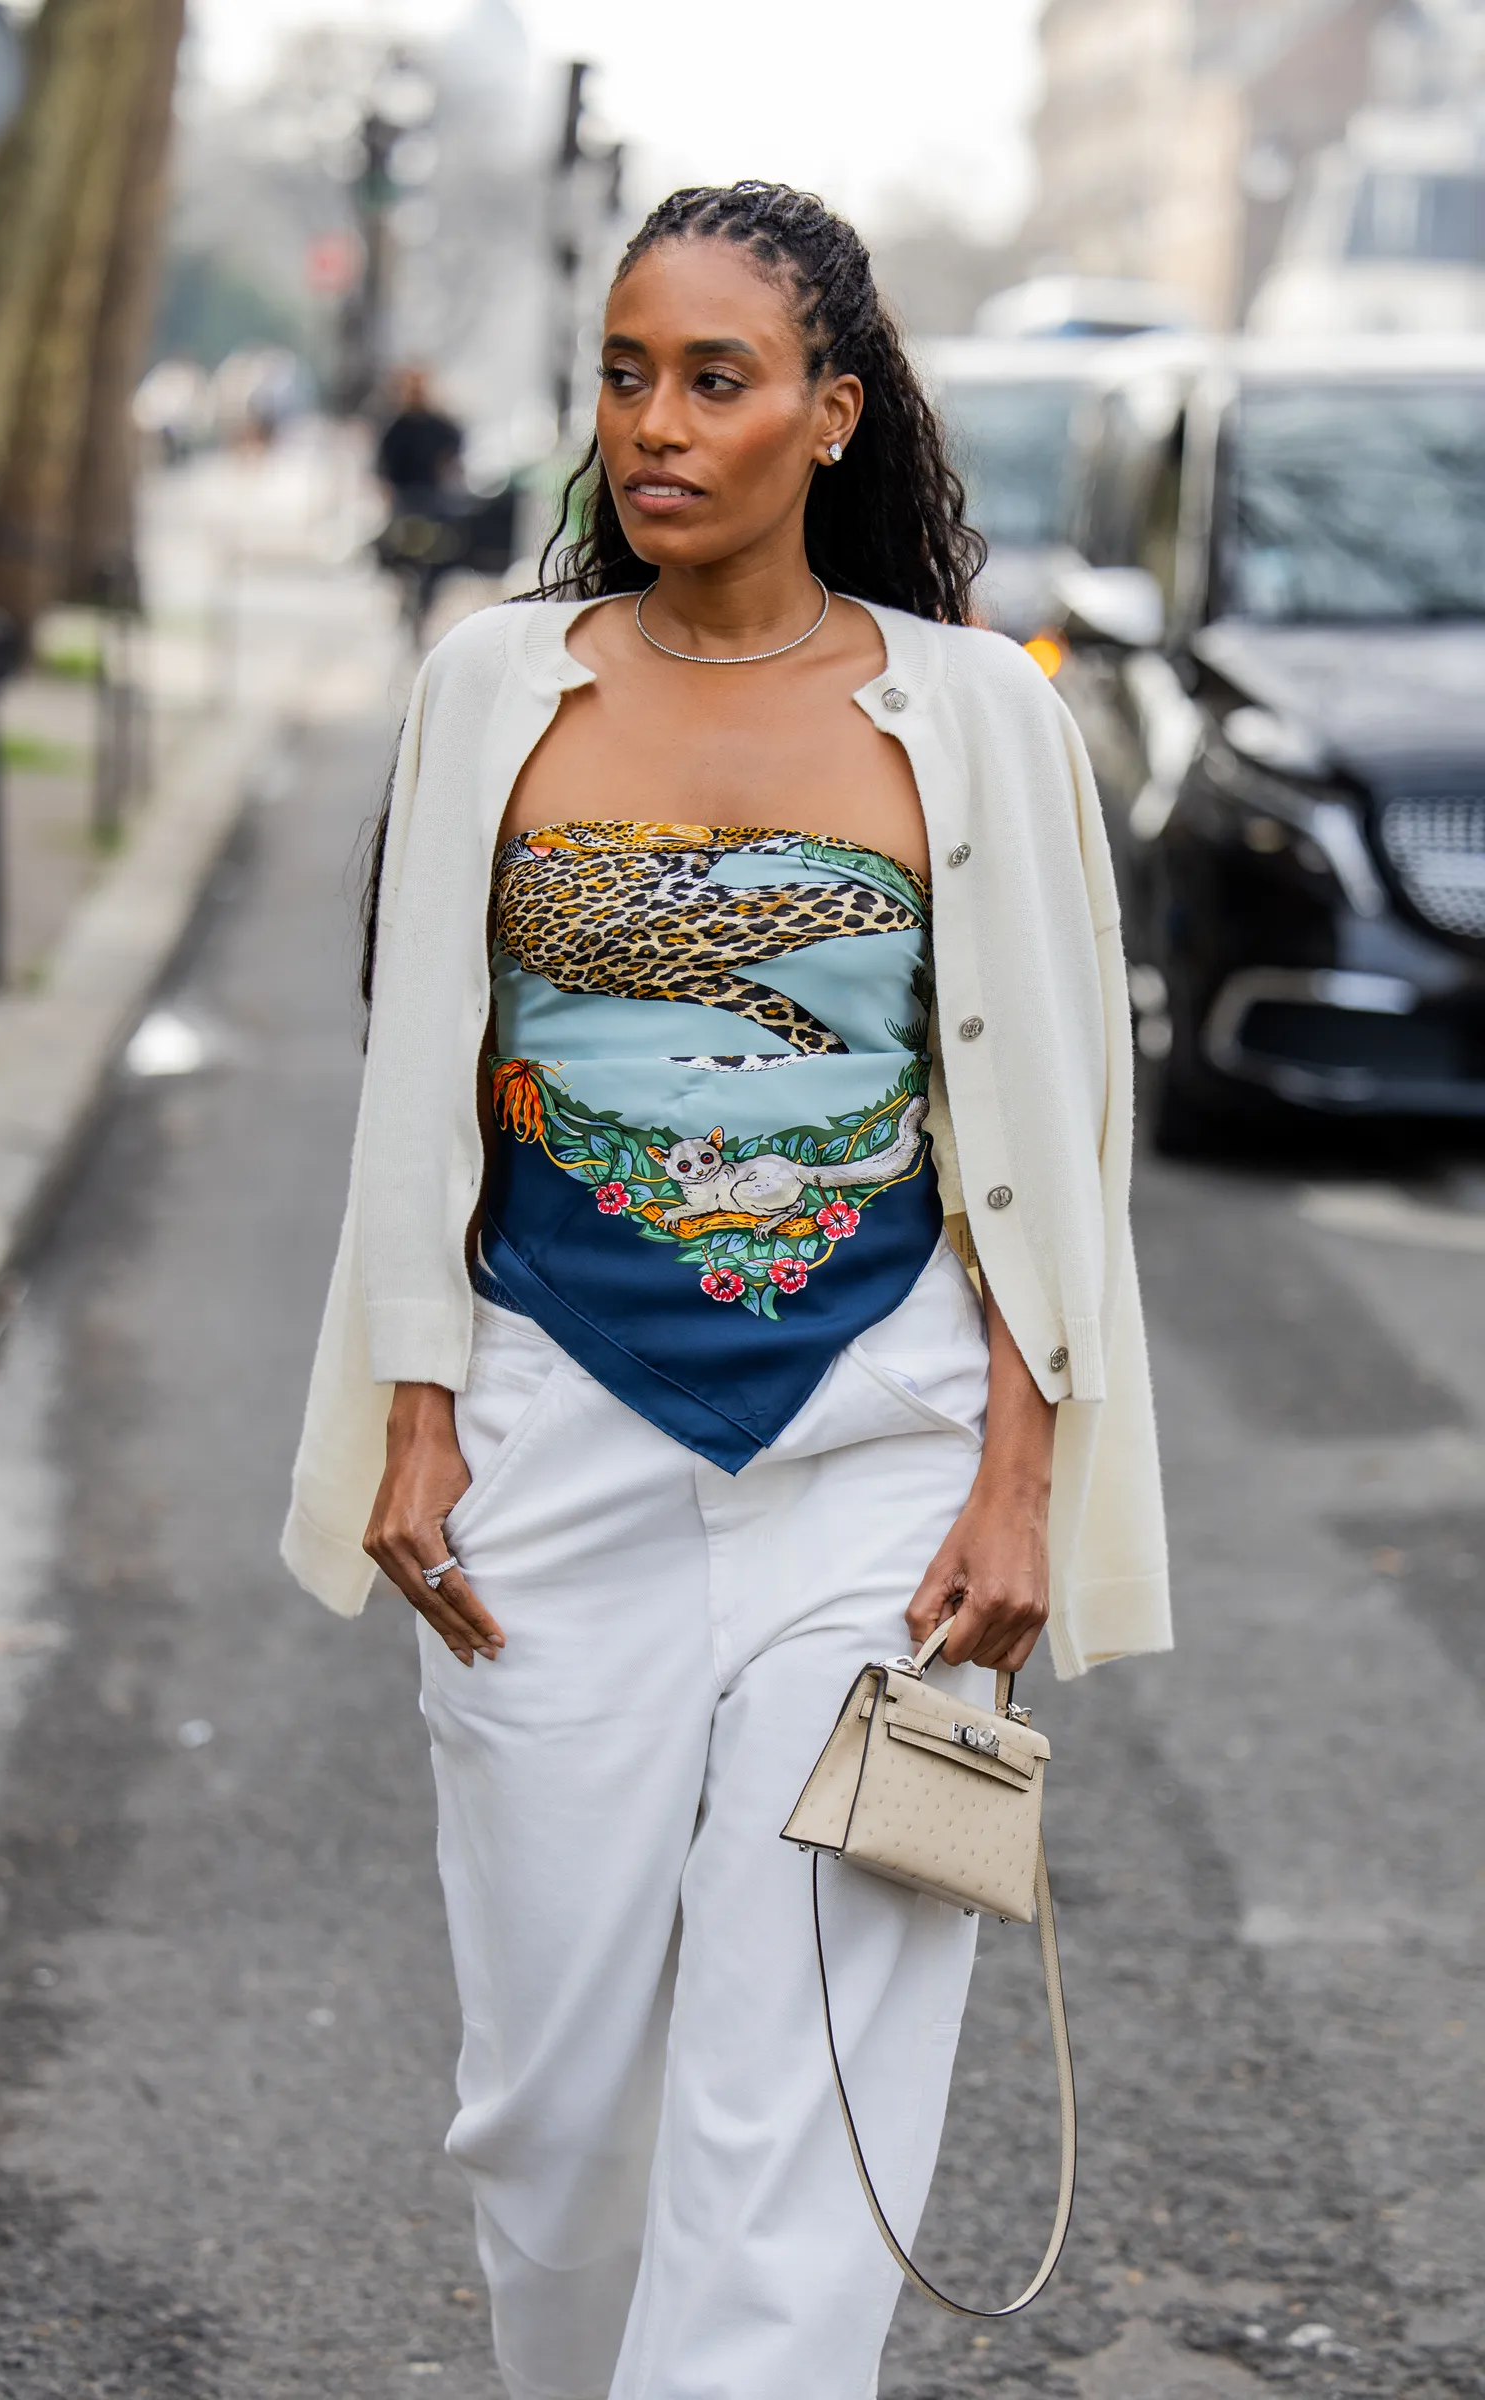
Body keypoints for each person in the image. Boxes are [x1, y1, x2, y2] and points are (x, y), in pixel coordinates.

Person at [284, 181, 1170, 2400]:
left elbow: (1053, 1144)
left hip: (880, 1461)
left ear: (828, 414)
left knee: (808, 2116)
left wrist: (1018, 1481)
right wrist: (415, 1413)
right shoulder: (491, 685)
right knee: (551, 2115)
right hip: (545, 1446)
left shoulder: (977, 714)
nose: (655, 425)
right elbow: (421, 1085)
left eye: (715, 379)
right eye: (624, 375)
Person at [375, 366, 463, 507]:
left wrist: (445, 465)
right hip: (404, 494)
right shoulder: (396, 428)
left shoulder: (439, 426)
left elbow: (455, 444)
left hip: (434, 493)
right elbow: (385, 462)